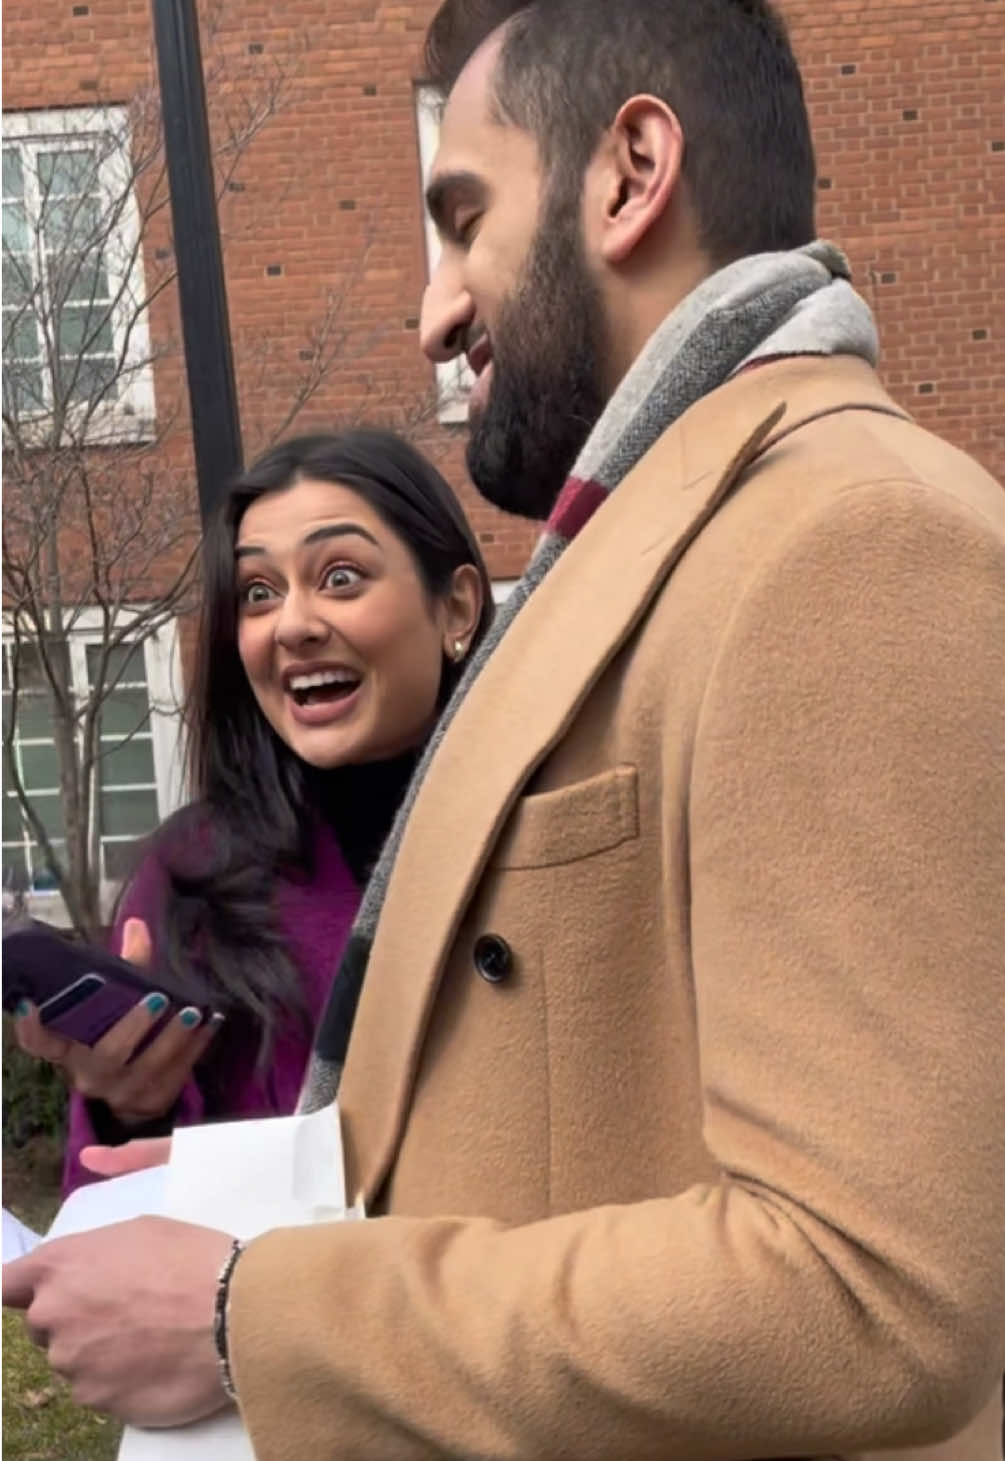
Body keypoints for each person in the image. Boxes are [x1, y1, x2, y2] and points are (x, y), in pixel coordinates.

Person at [5, 1, 1005, 1457]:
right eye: (258, 592)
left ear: (632, 173)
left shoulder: (850, 540)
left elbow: (873, 1295)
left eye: (465, 222)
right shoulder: (675, 550)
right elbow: (565, 1116)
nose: (434, 313)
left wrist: (245, 1311)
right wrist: (230, 1185)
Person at [12, 426, 491, 1192]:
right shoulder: (187, 877)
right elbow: (109, 1219)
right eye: (258, 593)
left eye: (340, 577)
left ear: (456, 607)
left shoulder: (542, 837)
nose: (292, 625)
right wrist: (128, 1110)